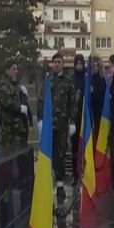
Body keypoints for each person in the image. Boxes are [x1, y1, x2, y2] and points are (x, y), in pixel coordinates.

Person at [38, 53, 77, 205]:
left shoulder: (68, 82)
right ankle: (51, 181)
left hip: (62, 125)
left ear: (63, 64)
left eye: (59, 62)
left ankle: (60, 183)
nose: (56, 65)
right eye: (54, 62)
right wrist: (40, 119)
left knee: (61, 152)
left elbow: (73, 103)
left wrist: (72, 122)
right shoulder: (47, 81)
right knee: (50, 153)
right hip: (49, 125)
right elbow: (41, 101)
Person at [0, 59, 30, 148]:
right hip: (10, 132)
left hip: (20, 130)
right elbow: (8, 103)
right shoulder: (4, 86)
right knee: (11, 158)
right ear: (7, 71)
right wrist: (20, 108)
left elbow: (23, 102)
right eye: (14, 69)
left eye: (17, 69)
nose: (16, 72)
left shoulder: (16, 86)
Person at [71, 54, 87, 181]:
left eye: (81, 63)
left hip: (85, 117)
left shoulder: (87, 78)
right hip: (75, 118)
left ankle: (86, 172)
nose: (79, 66)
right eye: (77, 64)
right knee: (75, 147)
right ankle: (75, 174)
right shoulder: (72, 79)